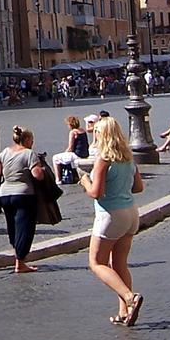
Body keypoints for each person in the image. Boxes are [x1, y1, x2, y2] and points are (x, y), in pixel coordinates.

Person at [78, 118, 145, 327]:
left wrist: (85, 181)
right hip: (131, 213)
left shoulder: (104, 160)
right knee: (119, 264)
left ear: (102, 135)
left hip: (110, 215)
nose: (95, 136)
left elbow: (96, 193)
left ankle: (130, 297)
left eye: (96, 133)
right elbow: (139, 187)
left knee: (96, 263)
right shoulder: (128, 157)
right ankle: (124, 313)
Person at [0, 125, 47, 273]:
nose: (32, 142)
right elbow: (37, 175)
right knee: (25, 228)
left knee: (13, 227)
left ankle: (18, 260)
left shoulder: (5, 152)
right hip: (23, 194)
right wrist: (42, 169)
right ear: (26, 139)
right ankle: (20, 263)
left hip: (5, 194)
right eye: (32, 139)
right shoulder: (29, 154)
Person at [51, 115, 90, 183]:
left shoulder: (73, 132)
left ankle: (58, 179)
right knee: (63, 157)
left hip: (77, 154)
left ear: (70, 125)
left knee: (55, 158)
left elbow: (70, 148)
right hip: (85, 154)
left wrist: (65, 152)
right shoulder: (83, 131)